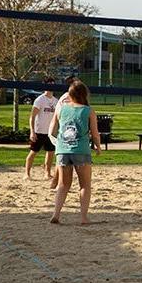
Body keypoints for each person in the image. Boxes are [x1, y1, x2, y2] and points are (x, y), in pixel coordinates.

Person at [49, 80, 101, 225]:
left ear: (70, 95)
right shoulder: (88, 111)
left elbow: (53, 130)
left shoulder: (61, 109)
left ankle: (56, 214)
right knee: (85, 185)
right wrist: (98, 147)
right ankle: (83, 217)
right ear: (85, 94)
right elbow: (95, 133)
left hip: (62, 150)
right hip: (81, 150)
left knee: (62, 185)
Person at [24, 77, 58, 180]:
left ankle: (47, 173)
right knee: (33, 151)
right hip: (39, 131)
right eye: (49, 84)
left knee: (51, 152)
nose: (51, 86)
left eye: (53, 84)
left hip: (50, 132)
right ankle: (27, 173)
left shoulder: (56, 101)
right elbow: (32, 117)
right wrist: (32, 132)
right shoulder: (40, 100)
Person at [49, 75, 80, 190]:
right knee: (64, 159)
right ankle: (58, 184)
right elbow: (67, 116)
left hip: (63, 131)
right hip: (60, 131)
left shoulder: (71, 97)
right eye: (78, 82)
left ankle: (56, 184)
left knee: (63, 158)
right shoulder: (68, 97)